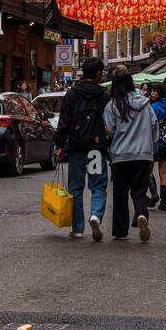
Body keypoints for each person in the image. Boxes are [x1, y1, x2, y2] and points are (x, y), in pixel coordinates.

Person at [53, 56, 109, 241]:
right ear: (99, 73)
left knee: (76, 188)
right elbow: (109, 123)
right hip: (96, 147)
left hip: (77, 148)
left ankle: (77, 228)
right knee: (98, 185)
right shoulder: (104, 96)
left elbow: (64, 122)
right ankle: (95, 215)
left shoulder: (72, 94)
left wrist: (60, 145)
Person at [104, 71, 157, 242]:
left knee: (120, 193)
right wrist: (152, 147)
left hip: (120, 154)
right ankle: (141, 214)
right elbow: (154, 125)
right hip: (143, 154)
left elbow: (109, 130)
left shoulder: (112, 105)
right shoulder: (145, 104)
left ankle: (120, 231)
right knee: (140, 190)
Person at [149, 82, 166, 209]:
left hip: (153, 141)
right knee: (164, 172)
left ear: (159, 92)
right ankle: (164, 202)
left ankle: (154, 194)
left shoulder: (153, 107)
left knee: (149, 170)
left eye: (154, 91)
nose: (152, 93)